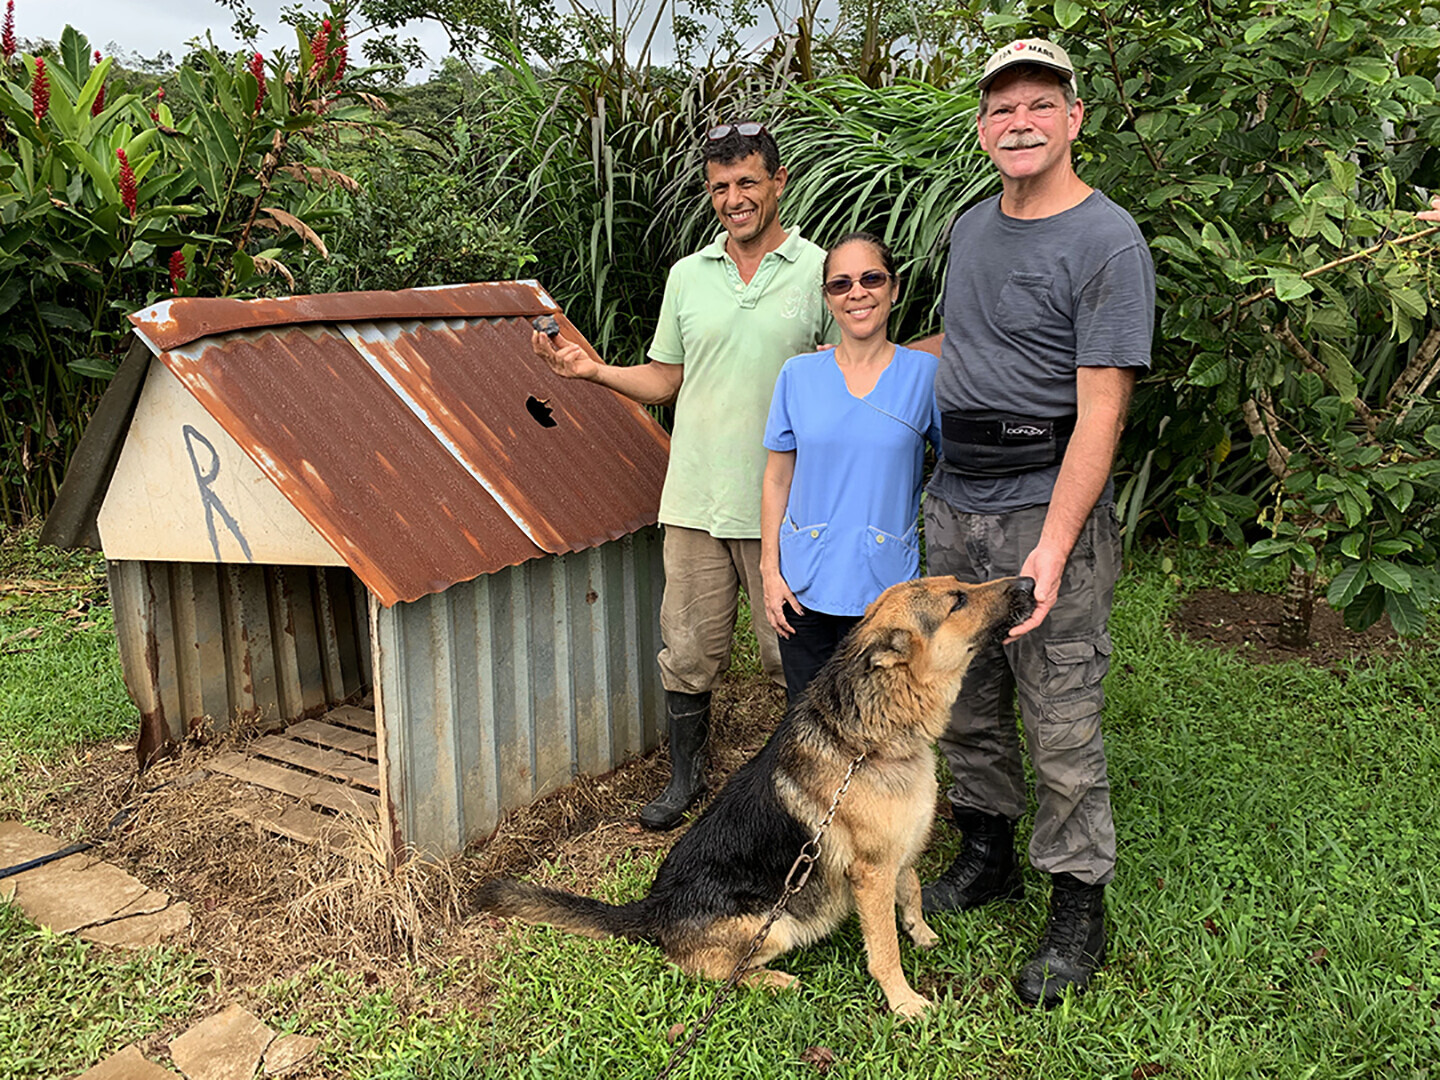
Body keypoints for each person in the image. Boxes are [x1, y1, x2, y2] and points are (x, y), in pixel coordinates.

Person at [919, 38, 1156, 1008]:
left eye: (1037, 104)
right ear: (982, 128)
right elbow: (955, 347)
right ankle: (987, 853)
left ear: (1073, 119)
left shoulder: (1109, 244)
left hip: (1041, 499)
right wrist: (846, 369)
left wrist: (1053, 547)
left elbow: (1101, 409)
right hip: (954, 498)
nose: (1017, 121)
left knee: (1059, 710)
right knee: (964, 698)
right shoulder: (972, 230)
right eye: (1000, 107)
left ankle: (1077, 902)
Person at [533, 122, 837, 831]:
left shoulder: (820, 269)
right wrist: (592, 371)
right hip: (696, 498)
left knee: (788, 654)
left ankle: (807, 787)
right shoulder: (688, 276)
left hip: (786, 509)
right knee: (689, 650)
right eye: (721, 187)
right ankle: (686, 778)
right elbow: (666, 379)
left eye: (748, 183)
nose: (734, 199)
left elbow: (845, 381)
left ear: (778, 182)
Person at [759, 232, 941, 701]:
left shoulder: (924, 377)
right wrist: (770, 571)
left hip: (886, 590)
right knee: (810, 724)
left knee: (881, 723)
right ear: (828, 299)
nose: (856, 293)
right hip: (804, 583)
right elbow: (777, 476)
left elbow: (954, 468)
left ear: (894, 288)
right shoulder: (797, 376)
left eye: (871, 278)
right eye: (840, 284)